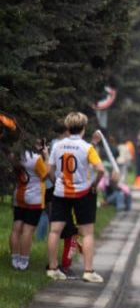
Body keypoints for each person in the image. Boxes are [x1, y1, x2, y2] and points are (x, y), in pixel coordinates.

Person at [45, 112, 106, 283]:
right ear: (83, 128)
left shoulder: (57, 146)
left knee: (55, 231)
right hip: (82, 193)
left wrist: (56, 181)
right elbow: (100, 169)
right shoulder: (87, 148)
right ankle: (88, 271)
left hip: (61, 192)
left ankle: (53, 268)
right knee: (87, 233)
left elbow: (49, 170)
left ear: (67, 127)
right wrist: (94, 184)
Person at [10, 144, 49, 271]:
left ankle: (14, 259)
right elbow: (45, 175)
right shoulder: (36, 158)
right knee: (28, 230)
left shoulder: (16, 154)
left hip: (19, 195)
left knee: (16, 228)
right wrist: (46, 157)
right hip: (34, 197)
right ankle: (23, 261)